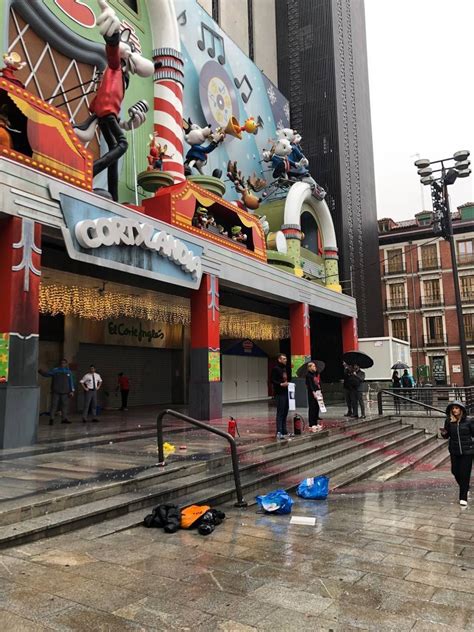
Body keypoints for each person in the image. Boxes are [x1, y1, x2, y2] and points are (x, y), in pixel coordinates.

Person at [440, 401, 474, 506]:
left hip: (467, 452)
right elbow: (446, 436)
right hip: (454, 451)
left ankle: (463, 497)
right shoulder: (449, 421)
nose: (454, 410)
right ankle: (465, 487)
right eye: (453, 408)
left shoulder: (469, 421)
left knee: (465, 474)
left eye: (456, 408)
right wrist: (444, 433)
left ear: (461, 409)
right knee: (455, 471)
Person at [38, 359, 75, 425]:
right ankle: (51, 419)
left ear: (66, 364)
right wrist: (41, 371)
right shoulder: (55, 370)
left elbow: (71, 381)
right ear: (60, 364)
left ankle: (64, 419)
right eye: (61, 363)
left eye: (64, 363)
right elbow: (47, 374)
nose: (62, 364)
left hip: (65, 391)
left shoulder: (68, 372)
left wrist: (72, 391)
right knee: (54, 405)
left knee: (64, 405)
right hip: (56, 391)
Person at [271, 354, 289, 439]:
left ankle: (284, 430)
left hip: (286, 393)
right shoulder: (276, 369)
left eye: (286, 359)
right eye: (284, 359)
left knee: (285, 412)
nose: (286, 360)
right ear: (279, 359)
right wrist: (281, 384)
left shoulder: (284, 369)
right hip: (279, 393)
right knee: (280, 413)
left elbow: (285, 379)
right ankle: (279, 431)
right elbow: (273, 380)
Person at [305, 362, 323, 432]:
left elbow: (318, 383)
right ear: (309, 367)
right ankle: (311, 424)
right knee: (312, 408)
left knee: (316, 407)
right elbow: (310, 385)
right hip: (312, 393)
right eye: (313, 366)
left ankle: (315, 422)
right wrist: (313, 393)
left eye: (315, 366)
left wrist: (320, 391)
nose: (315, 367)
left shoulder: (315, 374)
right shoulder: (308, 375)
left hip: (318, 392)